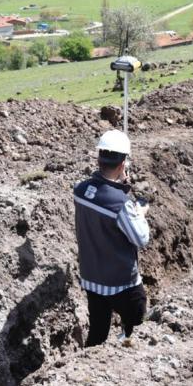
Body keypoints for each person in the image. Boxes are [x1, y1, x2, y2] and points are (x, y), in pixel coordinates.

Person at [73, 130, 150, 347]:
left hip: (91, 278)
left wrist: (121, 188)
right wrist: (139, 213)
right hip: (121, 282)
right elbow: (141, 238)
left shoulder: (80, 190)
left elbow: (100, 203)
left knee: (98, 331)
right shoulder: (120, 205)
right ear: (123, 163)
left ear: (99, 159)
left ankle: (89, 359)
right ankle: (126, 341)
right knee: (136, 316)